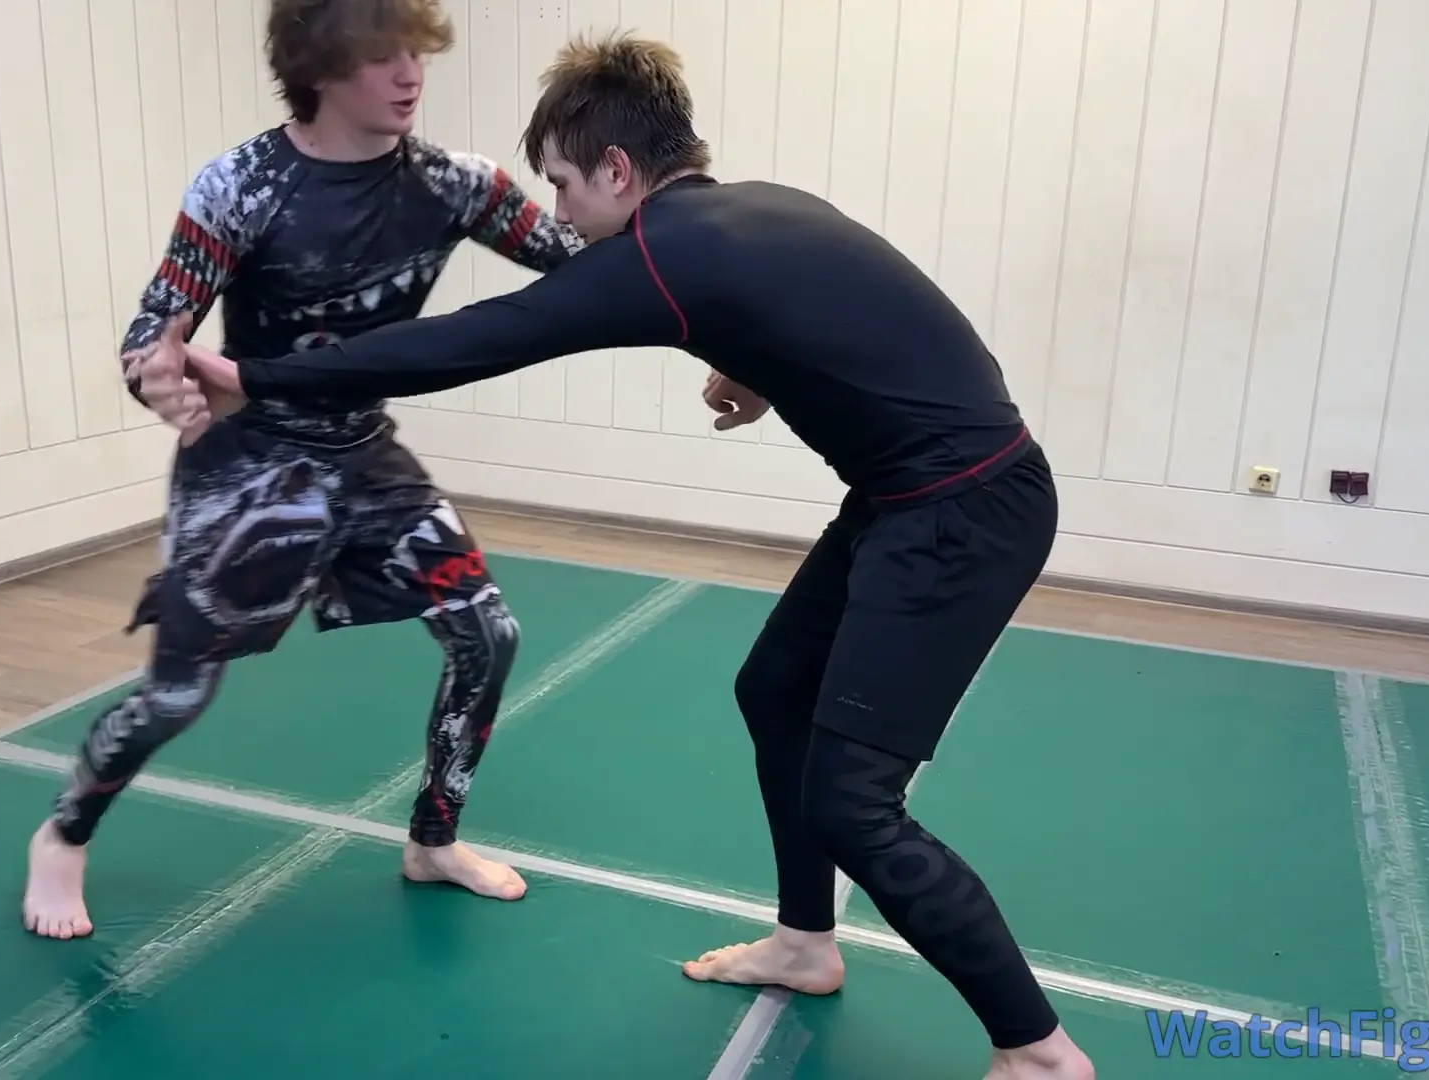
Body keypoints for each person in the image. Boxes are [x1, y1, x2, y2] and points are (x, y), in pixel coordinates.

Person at [166, 29, 1093, 1080]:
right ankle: (806, 944)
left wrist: (255, 377)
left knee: (853, 803)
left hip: (958, 512)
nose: (559, 212)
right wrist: (759, 369)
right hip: (923, 494)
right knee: (776, 691)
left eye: (563, 183)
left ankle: (1038, 1051)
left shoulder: (660, 252)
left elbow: (471, 340)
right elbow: (854, 324)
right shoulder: (745, 215)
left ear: (617, 170)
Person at [21, 0, 587, 940]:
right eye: (381, 55)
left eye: (417, 52)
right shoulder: (241, 187)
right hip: (251, 463)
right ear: (320, 66)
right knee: (177, 694)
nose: (409, 74)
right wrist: (158, 374)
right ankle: (64, 835)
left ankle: (433, 841)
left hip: (365, 454)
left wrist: (692, 249)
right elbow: (154, 328)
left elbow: (587, 265)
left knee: (489, 634)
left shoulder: (457, 185)